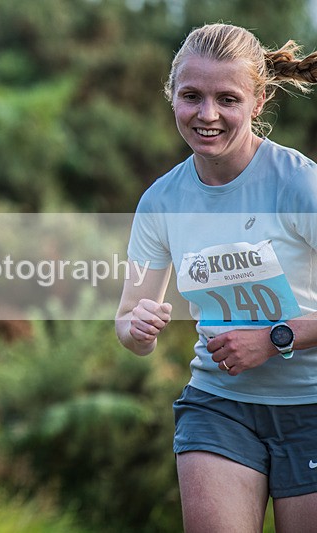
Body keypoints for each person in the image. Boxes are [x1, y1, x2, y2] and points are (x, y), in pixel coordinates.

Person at [115, 23, 317, 532]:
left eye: (227, 98)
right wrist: (135, 327)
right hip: (218, 405)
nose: (207, 116)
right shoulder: (161, 201)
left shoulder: (297, 183)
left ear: (258, 100)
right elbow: (126, 324)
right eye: (191, 96)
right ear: (172, 96)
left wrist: (276, 338)